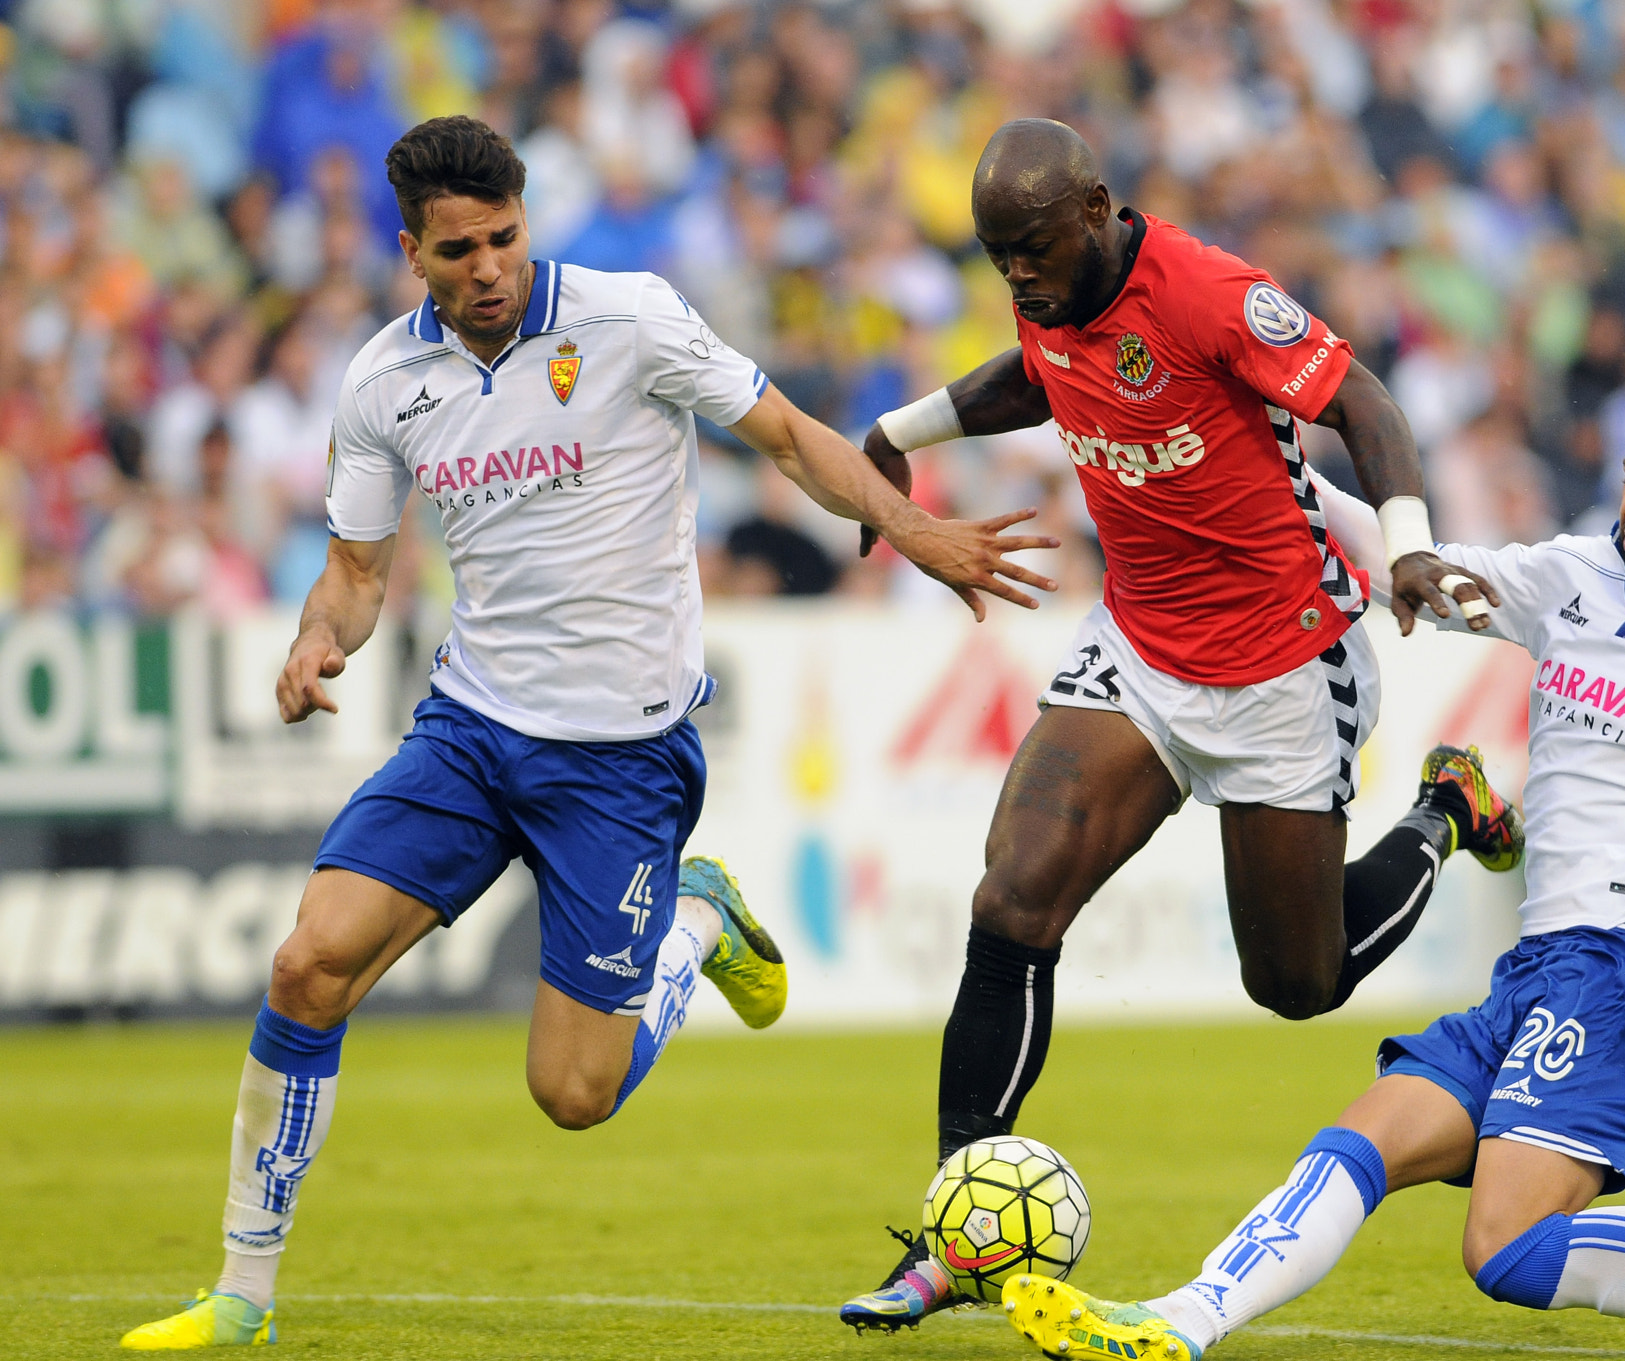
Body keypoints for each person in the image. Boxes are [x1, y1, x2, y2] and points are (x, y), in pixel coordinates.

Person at [120, 115, 1055, 1351]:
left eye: (505, 237)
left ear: (526, 223)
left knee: (571, 1093)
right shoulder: (381, 385)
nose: (489, 266)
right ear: (413, 253)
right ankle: (241, 1291)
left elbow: (787, 437)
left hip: (618, 760)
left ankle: (698, 914)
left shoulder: (631, 319)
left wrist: (914, 528)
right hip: (470, 729)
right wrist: (316, 640)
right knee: (307, 966)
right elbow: (356, 572)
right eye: (459, 250)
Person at [999, 366, 1625, 1361]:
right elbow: (1413, 561)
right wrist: (1263, 460)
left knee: (1501, 1250)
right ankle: (1175, 1319)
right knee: (1358, 1141)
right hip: (1537, 968)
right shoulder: (1570, 578)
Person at [841, 118, 1521, 1332]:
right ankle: (955, 1228)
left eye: (1033, 248)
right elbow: (1035, 373)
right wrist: (899, 433)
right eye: (997, 256)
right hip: (1142, 649)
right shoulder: (1043, 289)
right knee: (1012, 899)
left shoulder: (1209, 293)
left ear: (1096, 206)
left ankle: (1443, 809)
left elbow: (1360, 399)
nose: (1016, 276)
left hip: (1280, 665)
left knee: (1297, 983)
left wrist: (1409, 544)